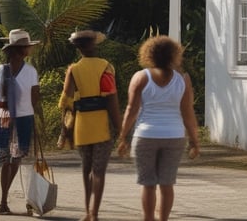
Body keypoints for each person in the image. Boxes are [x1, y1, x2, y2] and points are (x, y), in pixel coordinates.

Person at [116, 35, 200, 221]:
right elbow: (188, 113)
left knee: (148, 184)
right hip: (174, 136)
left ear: (148, 54)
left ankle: (148, 219)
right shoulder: (182, 80)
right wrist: (195, 140)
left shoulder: (140, 77)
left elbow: (131, 110)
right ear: (174, 55)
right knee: (167, 184)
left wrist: (123, 137)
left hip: (145, 135)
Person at [58, 30, 121, 221]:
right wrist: (120, 128)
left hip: (82, 125)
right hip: (101, 123)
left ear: (78, 49)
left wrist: (64, 130)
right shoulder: (105, 67)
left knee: (86, 169)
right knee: (99, 171)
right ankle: (94, 213)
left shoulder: (73, 70)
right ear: (93, 45)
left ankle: (86, 211)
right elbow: (111, 99)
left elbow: (66, 103)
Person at [0, 29, 42, 216]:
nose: (29, 50)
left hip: (5, 116)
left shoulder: (1, 70)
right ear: (21, 49)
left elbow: (0, 96)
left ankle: (2, 201)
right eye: (27, 47)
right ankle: (5, 201)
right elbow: (35, 98)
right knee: (16, 159)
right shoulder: (31, 71)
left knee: (7, 160)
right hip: (24, 118)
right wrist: (39, 120)